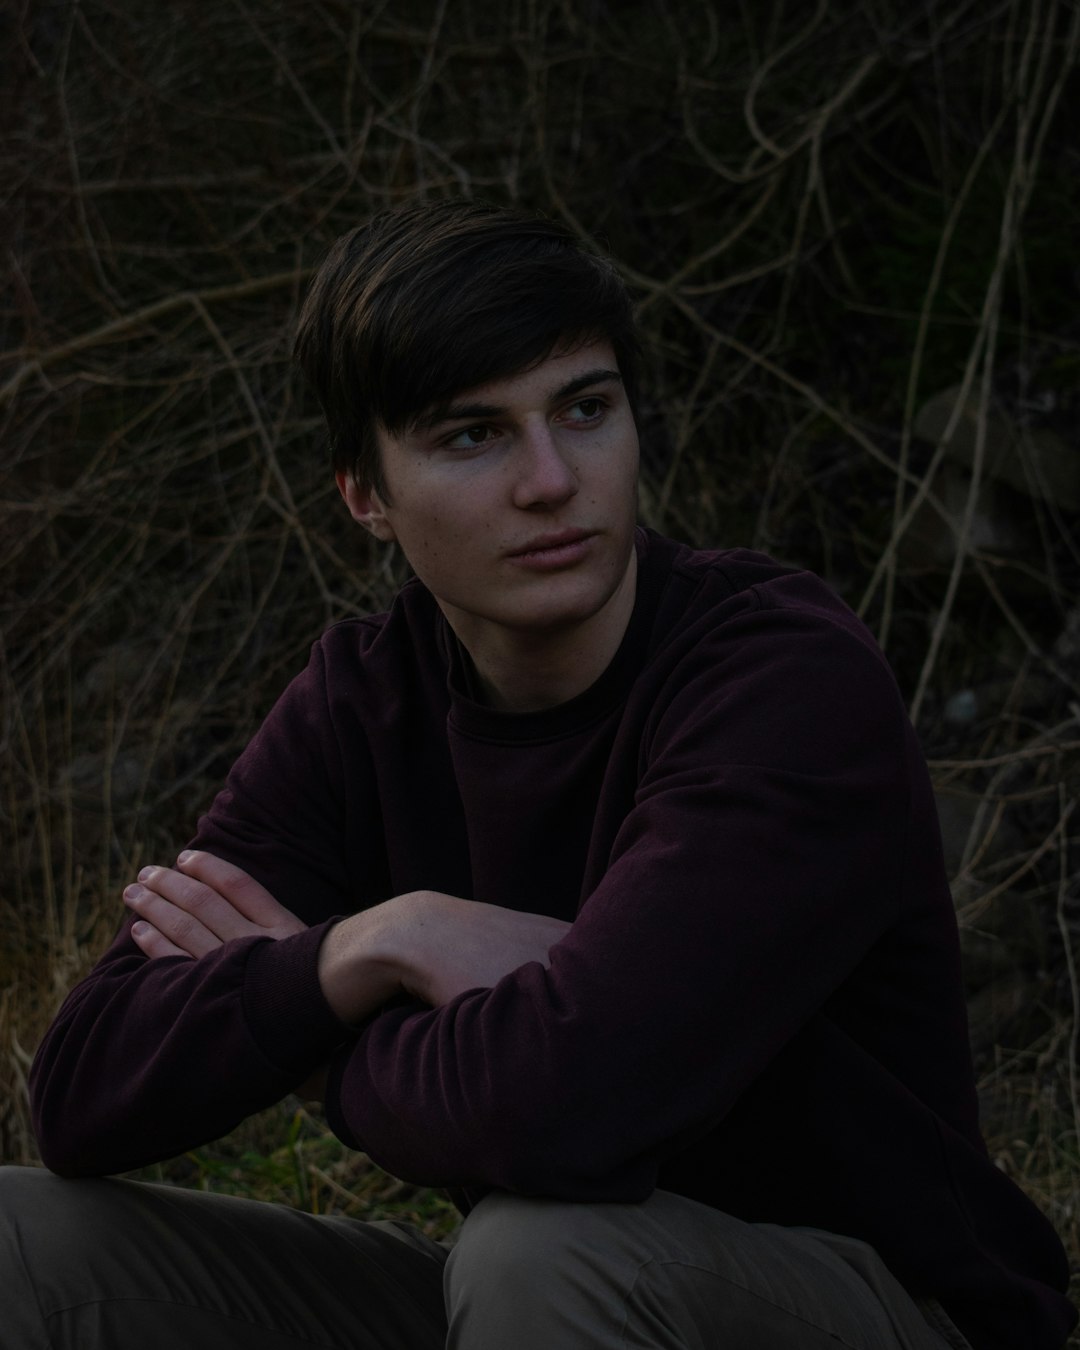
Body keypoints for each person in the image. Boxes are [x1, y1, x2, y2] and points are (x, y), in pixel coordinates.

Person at [3, 201, 1074, 1350]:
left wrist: (323, 1058)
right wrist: (377, 944)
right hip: (535, 1310)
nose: (553, 480)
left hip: (881, 1314)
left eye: (585, 410)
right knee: (25, 1243)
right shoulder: (366, 699)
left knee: (539, 1247)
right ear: (365, 495)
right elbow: (83, 1089)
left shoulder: (781, 676)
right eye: (474, 435)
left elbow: (572, 1112)